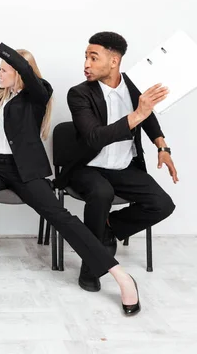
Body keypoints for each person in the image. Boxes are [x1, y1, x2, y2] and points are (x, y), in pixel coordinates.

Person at [0, 12, 141, 315]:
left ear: (19, 74)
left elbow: (22, 66)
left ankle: (120, 276)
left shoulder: (38, 94)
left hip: (25, 171)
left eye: (5, 70)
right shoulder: (3, 92)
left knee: (61, 218)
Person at [57, 31, 177, 292]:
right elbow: (93, 137)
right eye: (85, 57)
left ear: (114, 61)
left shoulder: (135, 86)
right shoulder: (78, 94)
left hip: (124, 167)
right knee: (102, 193)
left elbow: (150, 117)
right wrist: (137, 115)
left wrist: (162, 146)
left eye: (93, 57)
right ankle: (90, 266)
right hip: (88, 167)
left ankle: (109, 228)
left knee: (163, 204)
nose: (86, 64)